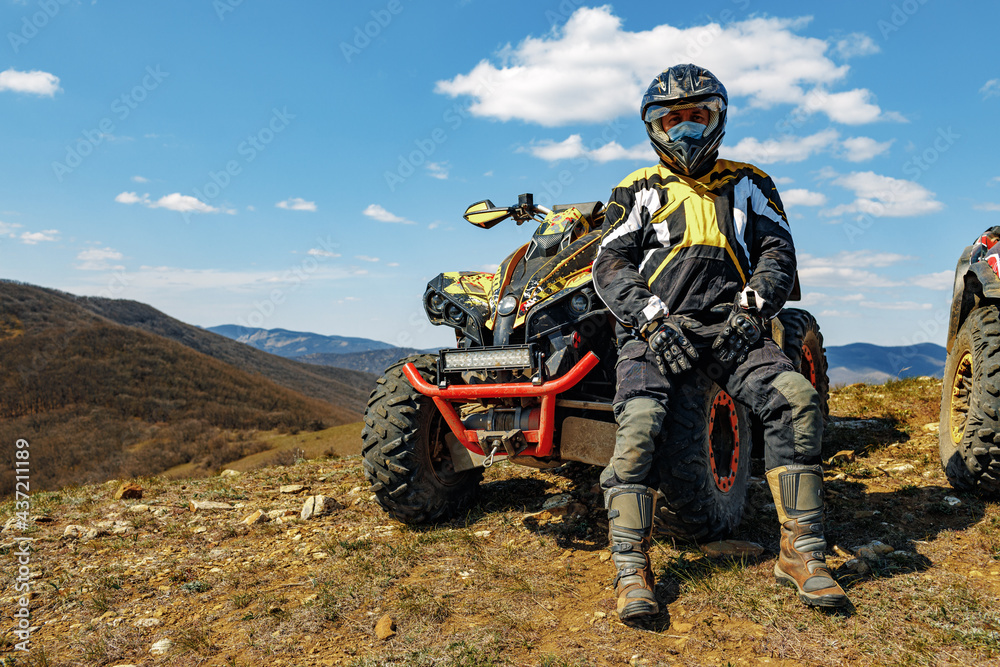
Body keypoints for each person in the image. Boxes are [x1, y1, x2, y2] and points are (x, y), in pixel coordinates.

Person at [592, 63, 848, 622]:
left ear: (719, 119)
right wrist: (652, 320)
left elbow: (778, 253)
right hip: (654, 331)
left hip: (734, 327)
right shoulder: (635, 188)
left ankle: (800, 554)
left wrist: (752, 310)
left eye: (697, 116)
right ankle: (632, 569)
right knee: (636, 430)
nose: (684, 128)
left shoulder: (751, 181)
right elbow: (609, 263)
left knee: (797, 402)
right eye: (672, 118)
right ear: (653, 126)